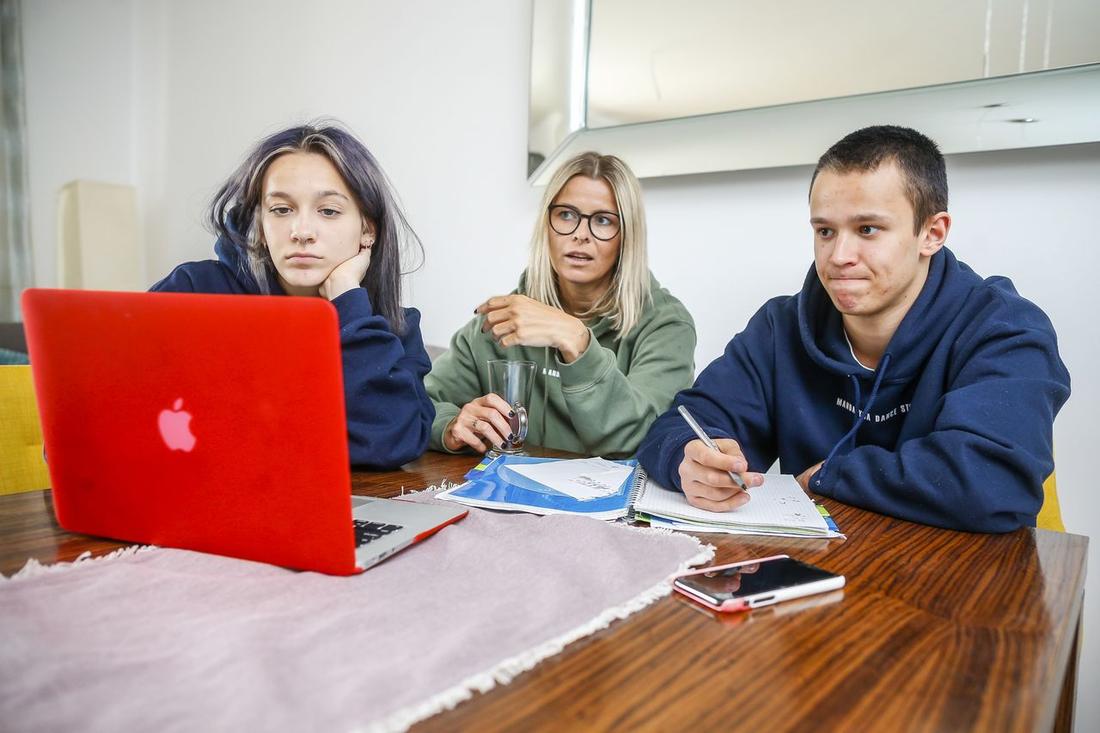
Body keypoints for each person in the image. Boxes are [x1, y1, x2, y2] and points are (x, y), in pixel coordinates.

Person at [637, 125, 1070, 533]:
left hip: (966, 584)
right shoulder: (780, 327)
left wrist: (831, 477)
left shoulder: (1005, 328)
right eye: (825, 230)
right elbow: (682, 424)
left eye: (867, 229)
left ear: (932, 233)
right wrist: (688, 459)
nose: (839, 255)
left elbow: (991, 483)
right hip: (830, 580)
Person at [152, 122, 433, 468]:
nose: (301, 232)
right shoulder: (194, 291)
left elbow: (390, 444)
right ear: (261, 222)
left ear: (367, 229)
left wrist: (348, 301)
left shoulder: (395, 328)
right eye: (281, 210)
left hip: (335, 512)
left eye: (328, 211)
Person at [426, 152, 696, 457]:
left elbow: (640, 441)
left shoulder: (666, 326)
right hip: (512, 499)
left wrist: (575, 339)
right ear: (547, 224)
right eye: (566, 215)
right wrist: (450, 427)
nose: (581, 235)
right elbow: (420, 404)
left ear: (627, 236)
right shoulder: (506, 319)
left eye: (603, 221)